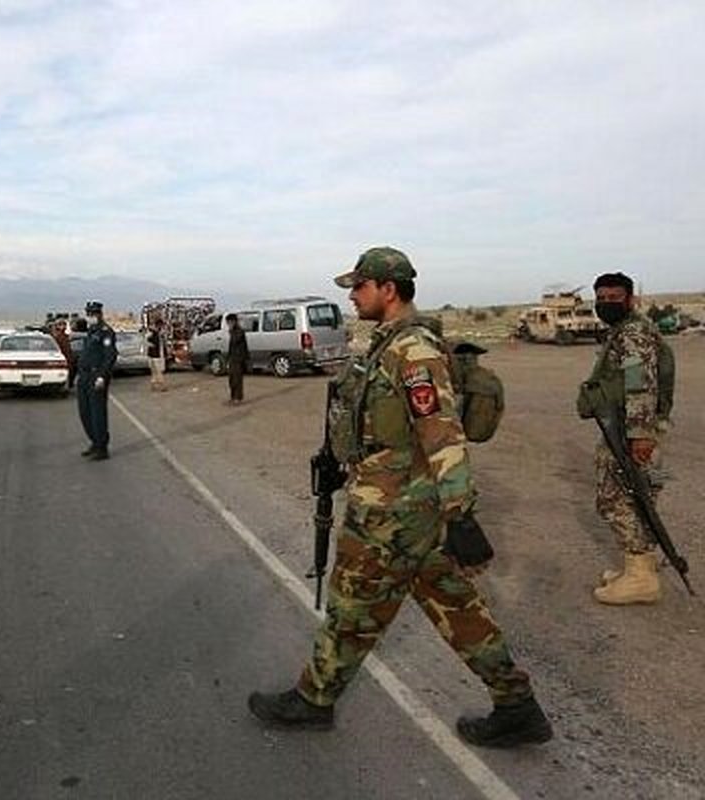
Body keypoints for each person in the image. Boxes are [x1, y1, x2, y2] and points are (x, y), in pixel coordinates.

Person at [248, 247, 552, 749]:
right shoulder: (389, 344)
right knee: (457, 607)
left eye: (360, 286)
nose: (352, 296)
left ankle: (314, 700)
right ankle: (517, 705)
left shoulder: (414, 351)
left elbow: (442, 433)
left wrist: (462, 516)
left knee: (352, 604)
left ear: (388, 289)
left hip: (394, 513)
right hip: (409, 508)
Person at [581, 272, 671, 605]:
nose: (606, 304)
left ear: (630, 299)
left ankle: (641, 579)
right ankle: (640, 567)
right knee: (636, 496)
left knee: (615, 499)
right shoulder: (624, 330)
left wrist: (640, 435)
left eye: (614, 298)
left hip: (631, 429)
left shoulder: (633, 333)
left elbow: (639, 384)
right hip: (627, 427)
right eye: (601, 299)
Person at [77, 300, 117, 460]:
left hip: (96, 376)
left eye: (93, 313)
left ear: (100, 314)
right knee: (84, 412)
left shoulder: (106, 332)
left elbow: (110, 356)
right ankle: (94, 441)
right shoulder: (91, 331)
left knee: (97, 413)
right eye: (88, 313)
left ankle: (101, 447)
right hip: (84, 376)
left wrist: (102, 376)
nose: (90, 316)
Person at [226, 313, 249, 404]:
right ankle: (232, 396)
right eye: (228, 322)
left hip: (239, 358)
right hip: (232, 358)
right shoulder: (232, 332)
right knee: (231, 379)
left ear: (234, 321)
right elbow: (231, 346)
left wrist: (231, 331)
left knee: (237, 379)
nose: (229, 324)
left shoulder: (240, 331)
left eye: (230, 322)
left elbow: (236, 340)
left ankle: (238, 397)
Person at [51, 319, 76, 390]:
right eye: (60, 324)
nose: (63, 326)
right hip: (60, 358)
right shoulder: (55, 337)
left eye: (64, 324)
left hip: (68, 358)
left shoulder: (66, 336)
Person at [147, 319, 168, 392]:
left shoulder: (154, 332)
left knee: (155, 371)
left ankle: (154, 385)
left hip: (153, 354)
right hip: (157, 355)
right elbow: (153, 342)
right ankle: (161, 385)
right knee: (158, 371)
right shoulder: (154, 333)